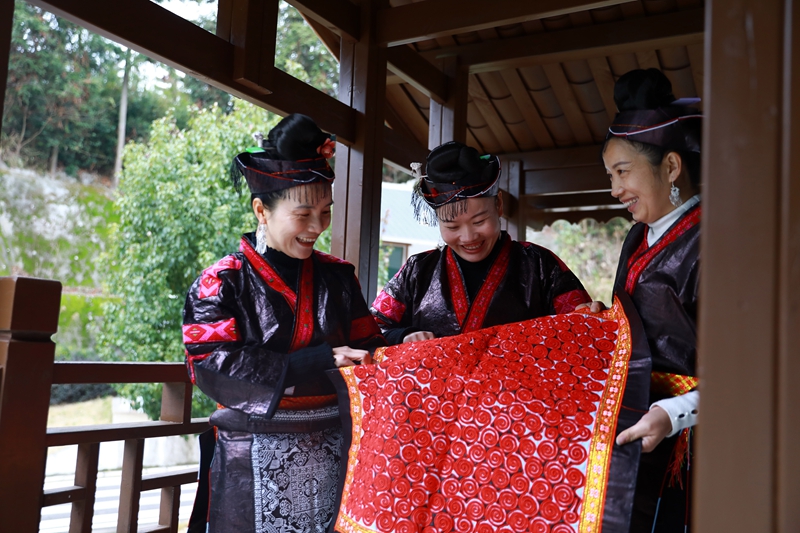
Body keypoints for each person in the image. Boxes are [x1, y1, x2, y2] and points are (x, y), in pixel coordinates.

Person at [182, 114, 385, 533]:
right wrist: (318, 360)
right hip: (250, 452)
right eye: (304, 213)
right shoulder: (221, 281)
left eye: (325, 212)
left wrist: (407, 342)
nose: (317, 227)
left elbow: (371, 345)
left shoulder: (338, 276)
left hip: (333, 448)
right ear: (261, 209)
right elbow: (211, 363)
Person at [591, 68, 702, 532]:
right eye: (610, 175)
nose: (615, 190)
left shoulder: (716, 238)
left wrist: (675, 412)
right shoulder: (638, 236)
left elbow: (751, 363)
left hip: (693, 436)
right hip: (640, 425)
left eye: (622, 172)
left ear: (671, 167)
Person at [370, 140, 591, 345]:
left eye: (479, 221)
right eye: (452, 227)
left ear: (499, 205)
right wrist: (404, 335)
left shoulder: (541, 265)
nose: (468, 237)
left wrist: (588, 314)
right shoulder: (417, 271)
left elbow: (583, 323)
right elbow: (371, 329)